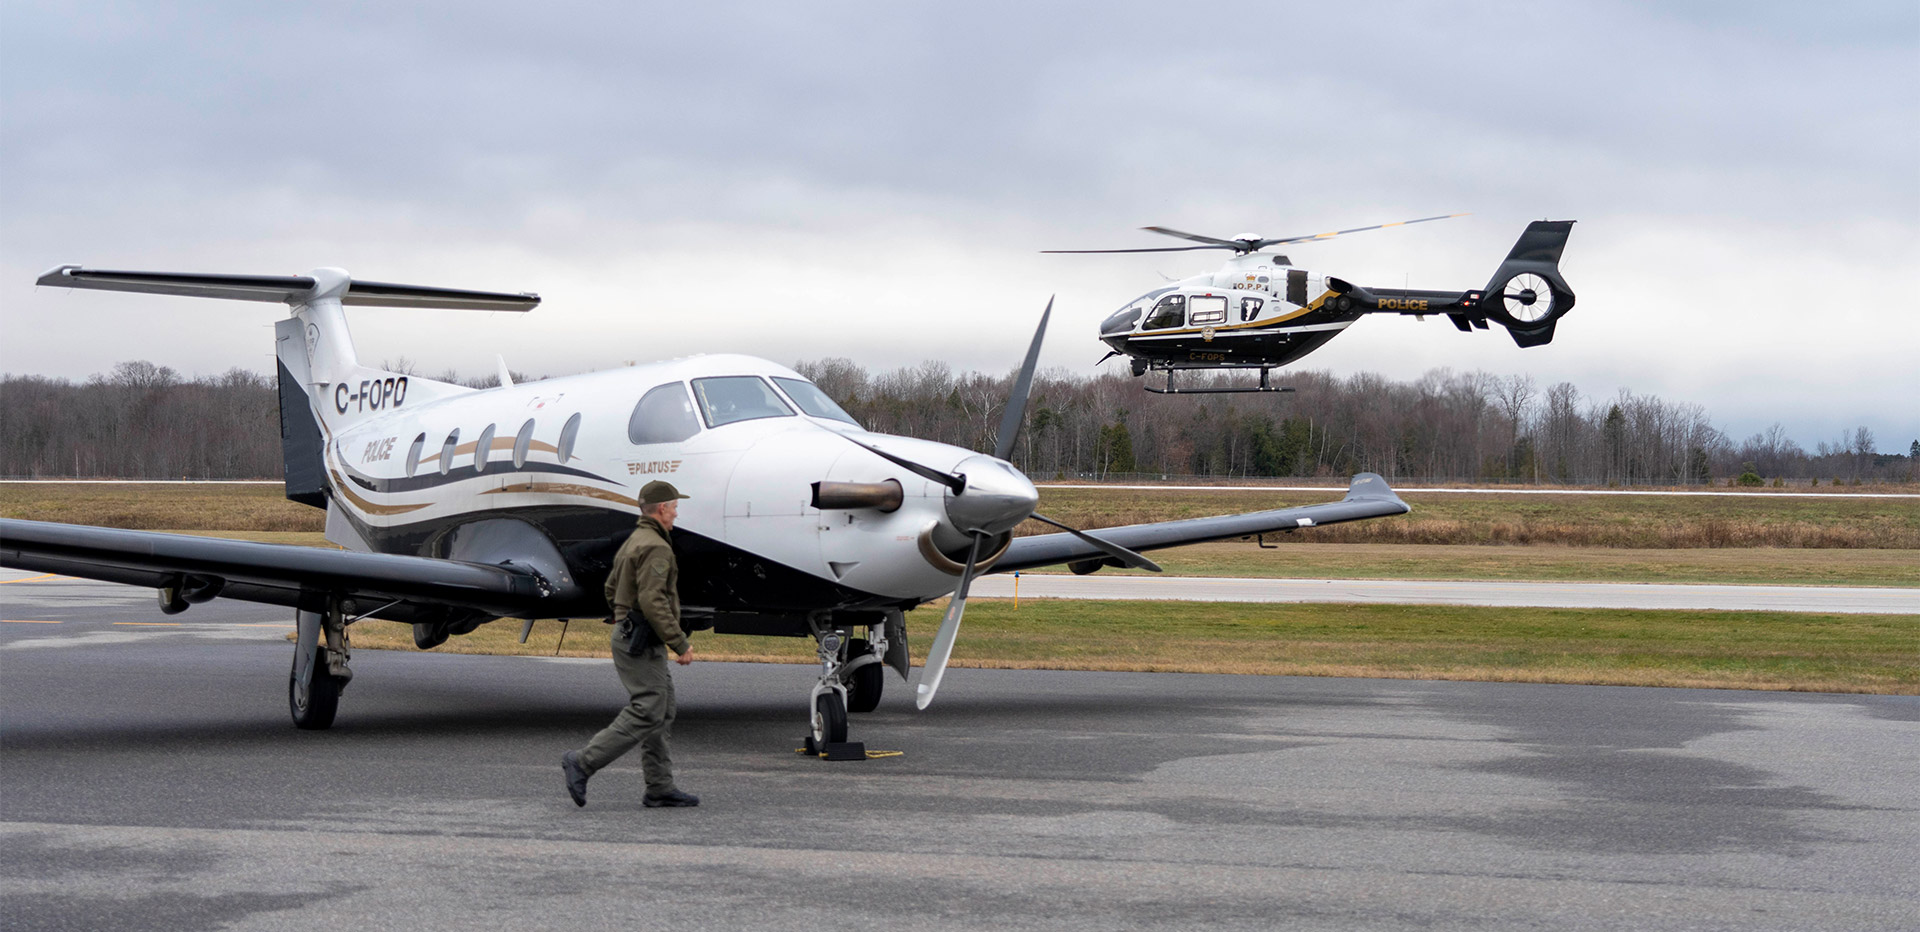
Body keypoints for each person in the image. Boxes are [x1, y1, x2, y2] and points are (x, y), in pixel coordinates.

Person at [562, 480, 699, 808]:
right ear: (662, 508)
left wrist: (622, 613)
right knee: (648, 707)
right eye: (675, 507)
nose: (676, 514)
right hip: (639, 640)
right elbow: (653, 600)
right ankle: (582, 762)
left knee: (662, 709)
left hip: (635, 635)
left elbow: (611, 586)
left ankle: (659, 786)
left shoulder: (635, 539)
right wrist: (679, 643)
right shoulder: (656, 546)